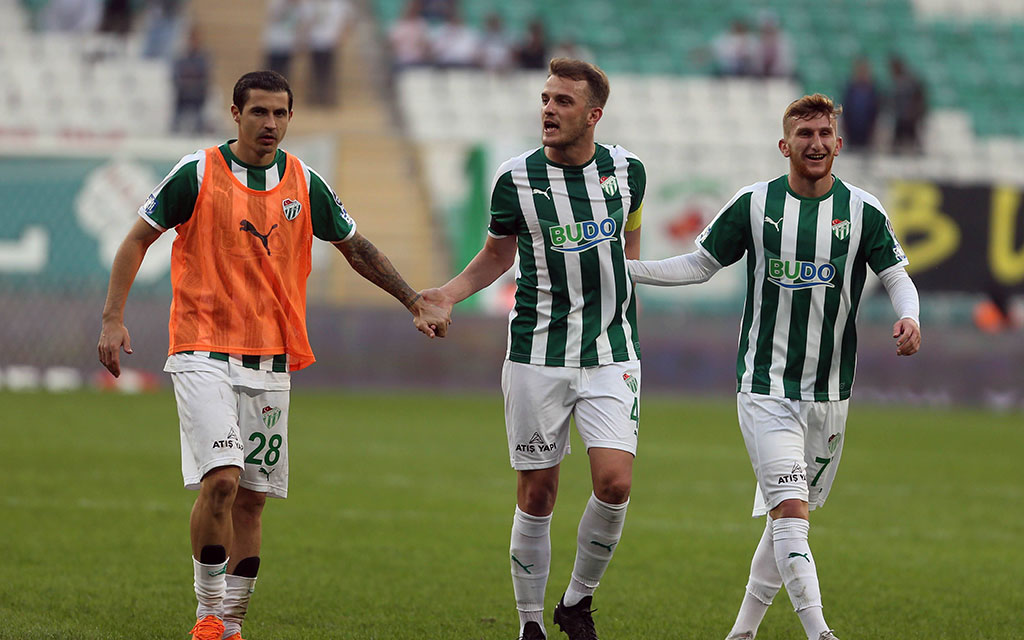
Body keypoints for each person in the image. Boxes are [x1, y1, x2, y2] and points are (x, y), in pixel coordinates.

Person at [97, 70, 449, 640]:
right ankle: (208, 614)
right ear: (235, 114)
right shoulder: (197, 172)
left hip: (270, 359)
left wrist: (412, 299)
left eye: (281, 113)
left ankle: (232, 625)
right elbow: (138, 238)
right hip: (201, 349)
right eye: (259, 112)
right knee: (223, 479)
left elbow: (354, 246)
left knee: (253, 502)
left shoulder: (305, 182)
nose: (270, 124)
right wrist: (113, 318)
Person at [628, 93, 922, 640]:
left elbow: (896, 275)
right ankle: (820, 633)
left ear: (839, 142)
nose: (815, 143)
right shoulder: (754, 204)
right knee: (791, 511)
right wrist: (629, 270)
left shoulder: (863, 210)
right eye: (803, 134)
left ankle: (741, 634)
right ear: (784, 144)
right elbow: (699, 264)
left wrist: (910, 316)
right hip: (765, 387)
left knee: (789, 517)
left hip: (831, 393)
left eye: (823, 134)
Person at [421, 58, 645, 640]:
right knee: (537, 491)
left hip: (611, 351)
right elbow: (498, 253)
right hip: (536, 353)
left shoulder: (629, 172)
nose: (548, 109)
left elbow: (631, 253)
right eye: (545, 99)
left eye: (563, 101)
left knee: (615, 483)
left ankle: (577, 601)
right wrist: (447, 293)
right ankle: (528, 624)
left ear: (593, 114)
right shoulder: (515, 178)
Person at [171, 25, 211, 134]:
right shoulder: (181, 57)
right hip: (183, 95)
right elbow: (176, 76)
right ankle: (175, 132)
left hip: (198, 96)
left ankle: (199, 130)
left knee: (200, 117)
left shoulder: (203, 57)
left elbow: (205, 76)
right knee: (176, 119)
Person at [887, 55, 927, 154]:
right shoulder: (900, 83)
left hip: (908, 119)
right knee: (899, 147)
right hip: (904, 119)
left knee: (909, 146)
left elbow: (919, 100)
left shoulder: (907, 83)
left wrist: (917, 114)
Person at [841, 57, 881, 151]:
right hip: (852, 127)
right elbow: (846, 108)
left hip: (867, 129)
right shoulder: (851, 89)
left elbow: (875, 110)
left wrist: (874, 127)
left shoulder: (872, 90)